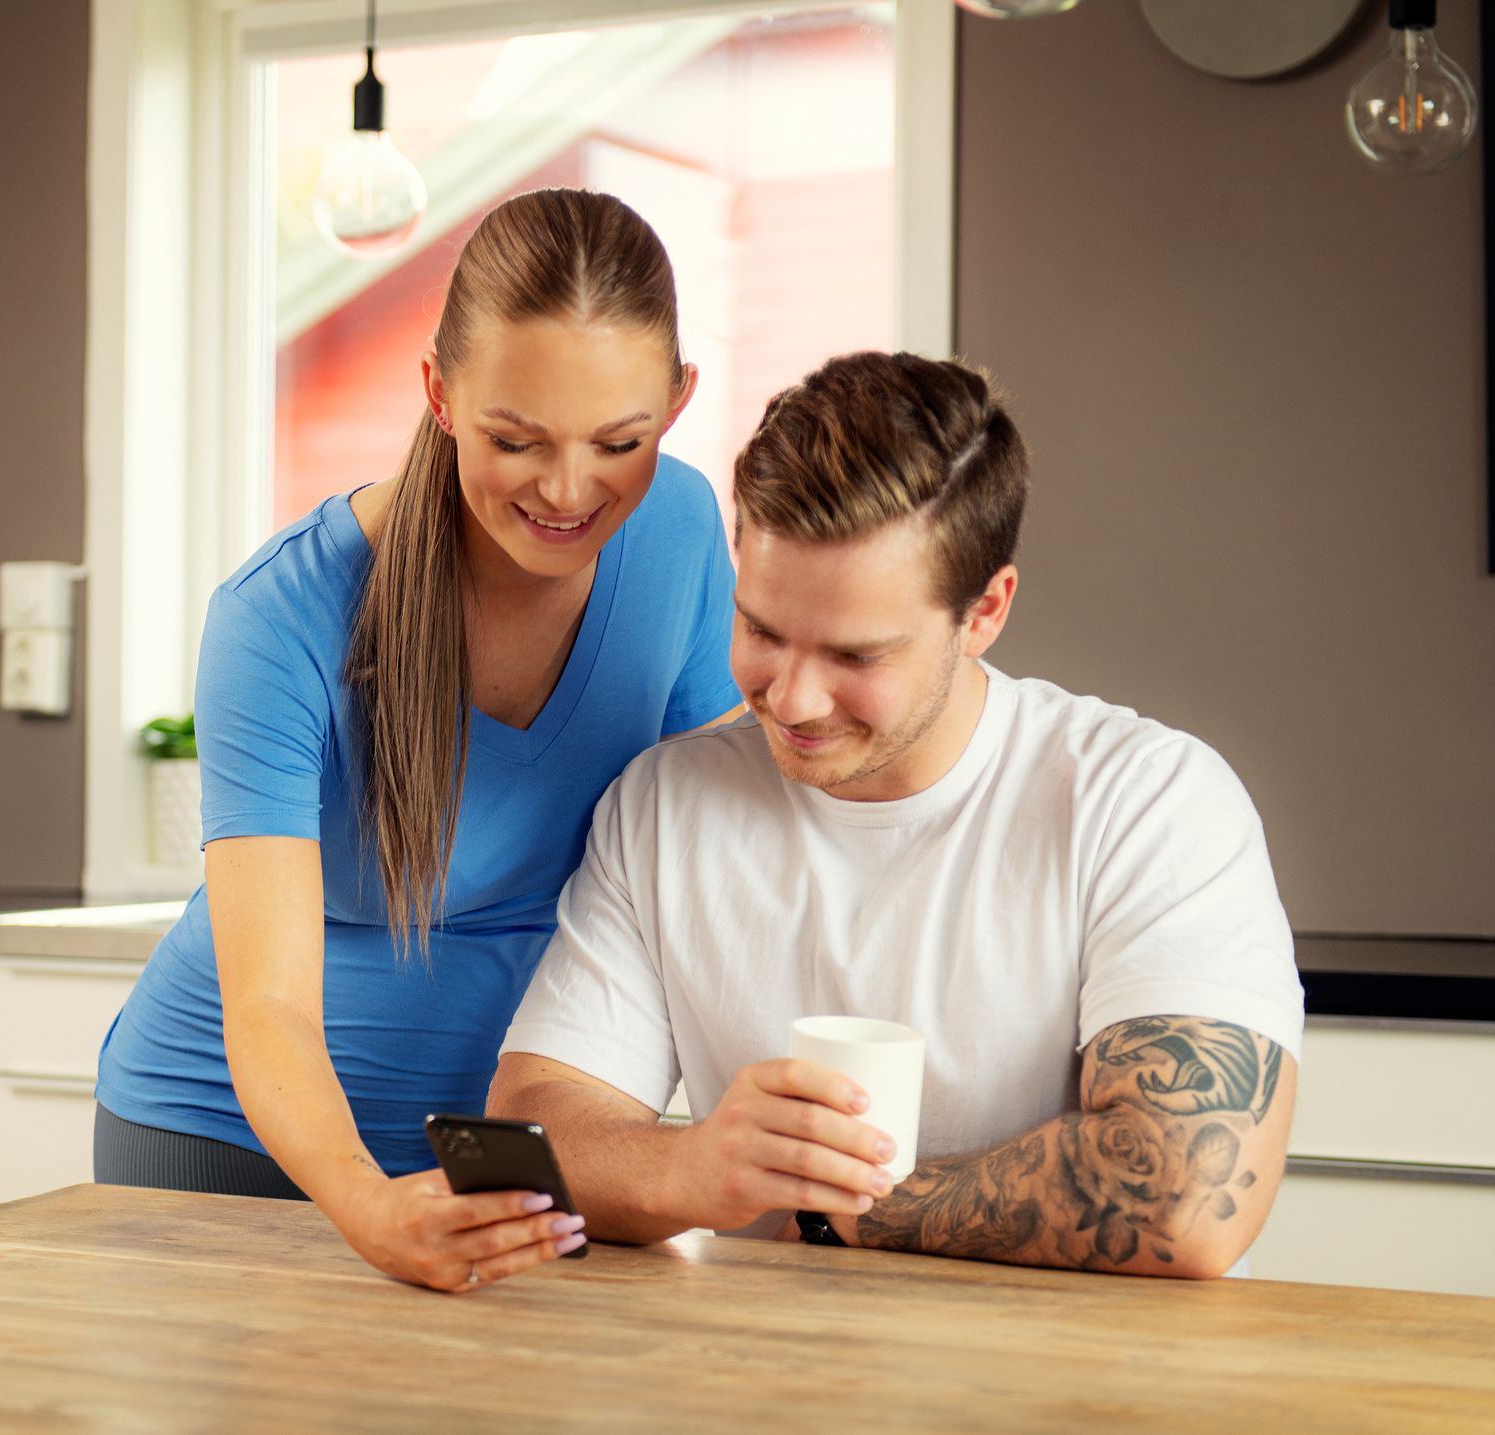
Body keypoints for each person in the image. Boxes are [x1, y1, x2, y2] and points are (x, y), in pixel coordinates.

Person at [489, 351, 1304, 1278]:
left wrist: (832, 1211)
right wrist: (691, 1166)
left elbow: (1186, 1194)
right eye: (759, 629)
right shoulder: (667, 805)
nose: (790, 699)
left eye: (855, 654)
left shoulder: (1148, 802)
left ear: (984, 611)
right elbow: (530, 1131)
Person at [93, 189, 743, 1293]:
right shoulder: (277, 618)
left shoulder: (680, 531)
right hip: (230, 1147)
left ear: (678, 403)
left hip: (509, 1156)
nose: (568, 488)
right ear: (439, 392)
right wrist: (364, 1201)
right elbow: (271, 1003)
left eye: (618, 441)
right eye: (515, 437)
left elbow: (714, 852)